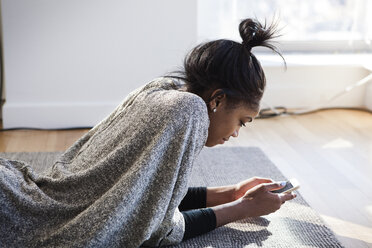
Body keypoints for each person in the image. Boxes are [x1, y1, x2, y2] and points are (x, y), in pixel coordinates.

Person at [0, 18, 296, 247]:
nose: (236, 133)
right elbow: (157, 229)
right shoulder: (189, 110)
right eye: (243, 121)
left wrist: (229, 193)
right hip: (19, 214)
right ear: (217, 100)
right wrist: (243, 208)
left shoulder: (162, 89)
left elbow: (145, 197)